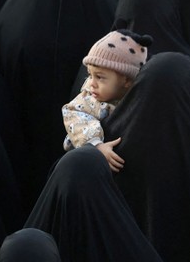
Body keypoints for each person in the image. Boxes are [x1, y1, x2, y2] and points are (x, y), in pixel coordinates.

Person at [62, 29, 151, 171]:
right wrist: (96, 146)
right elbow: (74, 116)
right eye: (90, 75)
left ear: (126, 80)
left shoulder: (136, 100)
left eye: (100, 77)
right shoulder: (89, 99)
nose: (92, 83)